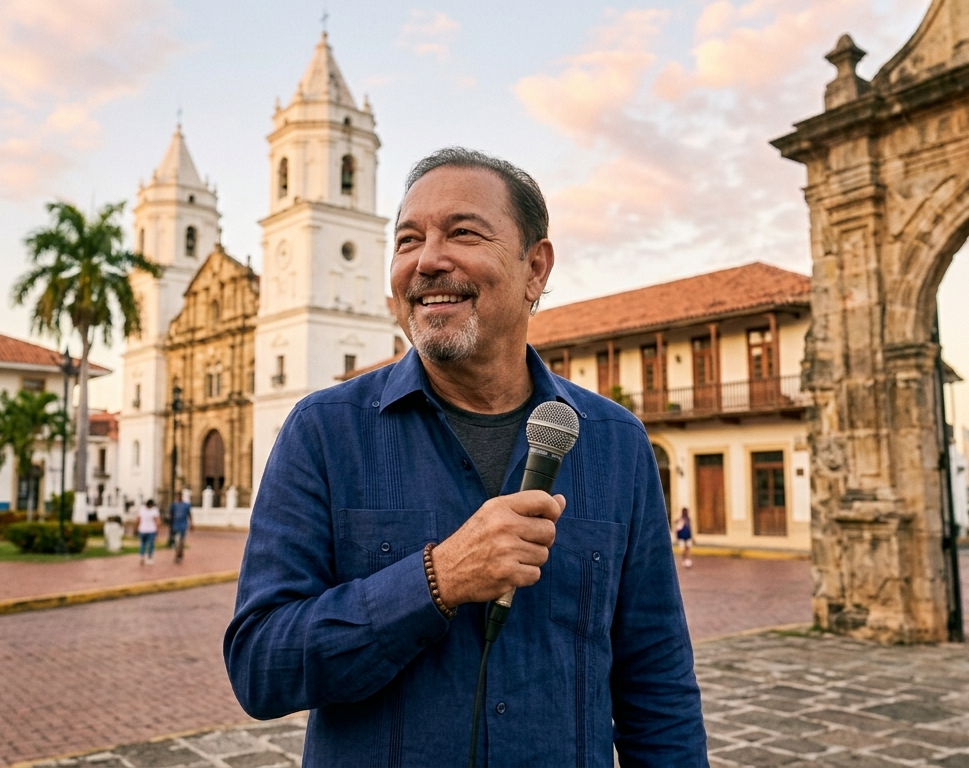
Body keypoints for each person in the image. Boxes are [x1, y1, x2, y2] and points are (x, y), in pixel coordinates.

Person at [225, 148, 706, 766]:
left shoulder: (615, 442)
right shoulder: (323, 433)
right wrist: (436, 580)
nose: (427, 261)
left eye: (463, 233)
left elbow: (657, 685)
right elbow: (261, 668)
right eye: (407, 240)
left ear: (536, 267)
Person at [169, 489, 192, 564]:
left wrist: (191, 523)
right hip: (175, 525)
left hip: (183, 525)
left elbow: (189, 514)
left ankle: (179, 554)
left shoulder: (186, 505)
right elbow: (171, 515)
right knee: (176, 541)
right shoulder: (173, 505)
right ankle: (178, 553)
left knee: (181, 541)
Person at [136, 499, 160, 565]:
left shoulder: (142, 509)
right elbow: (157, 521)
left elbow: (138, 519)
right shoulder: (154, 510)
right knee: (151, 544)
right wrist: (157, 529)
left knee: (143, 544)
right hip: (151, 530)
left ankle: (142, 556)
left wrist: (136, 527)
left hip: (142, 529)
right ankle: (149, 558)